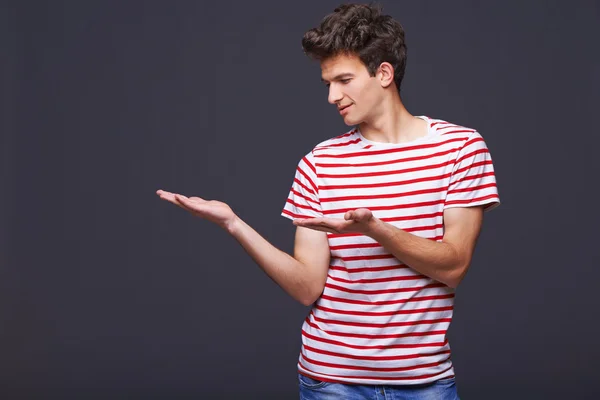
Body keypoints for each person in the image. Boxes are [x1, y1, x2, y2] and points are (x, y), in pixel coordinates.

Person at [157, 3, 499, 399]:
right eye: (327, 84)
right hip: (331, 382)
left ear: (384, 73)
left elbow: (454, 266)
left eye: (344, 80)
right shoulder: (320, 163)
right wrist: (234, 223)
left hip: (425, 383)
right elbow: (307, 287)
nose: (333, 96)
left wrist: (375, 229)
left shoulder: (460, 149)